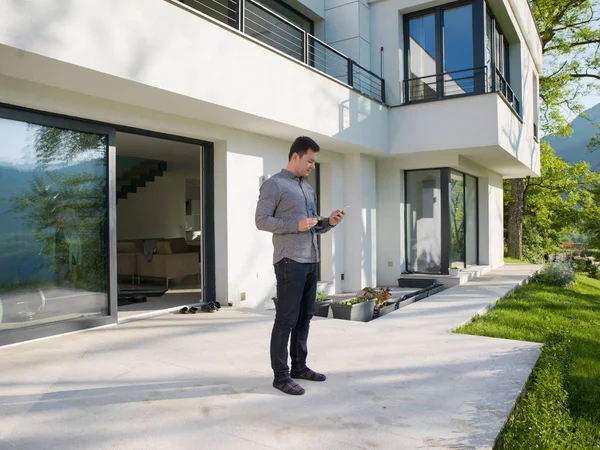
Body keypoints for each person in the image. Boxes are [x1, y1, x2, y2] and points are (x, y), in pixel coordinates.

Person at [255, 136, 345, 395]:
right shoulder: (275, 185)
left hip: (311, 259)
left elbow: (313, 227)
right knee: (286, 319)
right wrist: (294, 225)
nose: (312, 166)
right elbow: (261, 221)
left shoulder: (307, 189)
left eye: (315, 162)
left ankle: (299, 367)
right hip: (289, 262)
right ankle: (280, 376)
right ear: (295, 156)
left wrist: (329, 222)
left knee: (305, 317)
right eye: (310, 161)